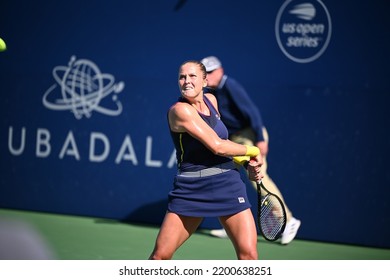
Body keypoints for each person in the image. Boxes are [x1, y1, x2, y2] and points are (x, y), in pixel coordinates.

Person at [149, 60, 264, 260]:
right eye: (182, 77)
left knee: (249, 256)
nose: (186, 81)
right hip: (191, 189)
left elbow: (224, 144)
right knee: (161, 257)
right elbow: (217, 146)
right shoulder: (180, 111)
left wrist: (245, 163)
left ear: (204, 81)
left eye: (192, 76)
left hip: (228, 184)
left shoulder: (212, 100)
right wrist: (252, 150)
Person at [200, 56, 301, 245]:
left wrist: (260, 140)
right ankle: (232, 224)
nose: (208, 76)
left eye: (211, 72)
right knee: (227, 178)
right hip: (233, 139)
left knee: (258, 178)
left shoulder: (230, 86)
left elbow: (252, 112)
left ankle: (288, 221)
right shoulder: (210, 92)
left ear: (220, 71)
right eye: (205, 73)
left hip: (250, 136)